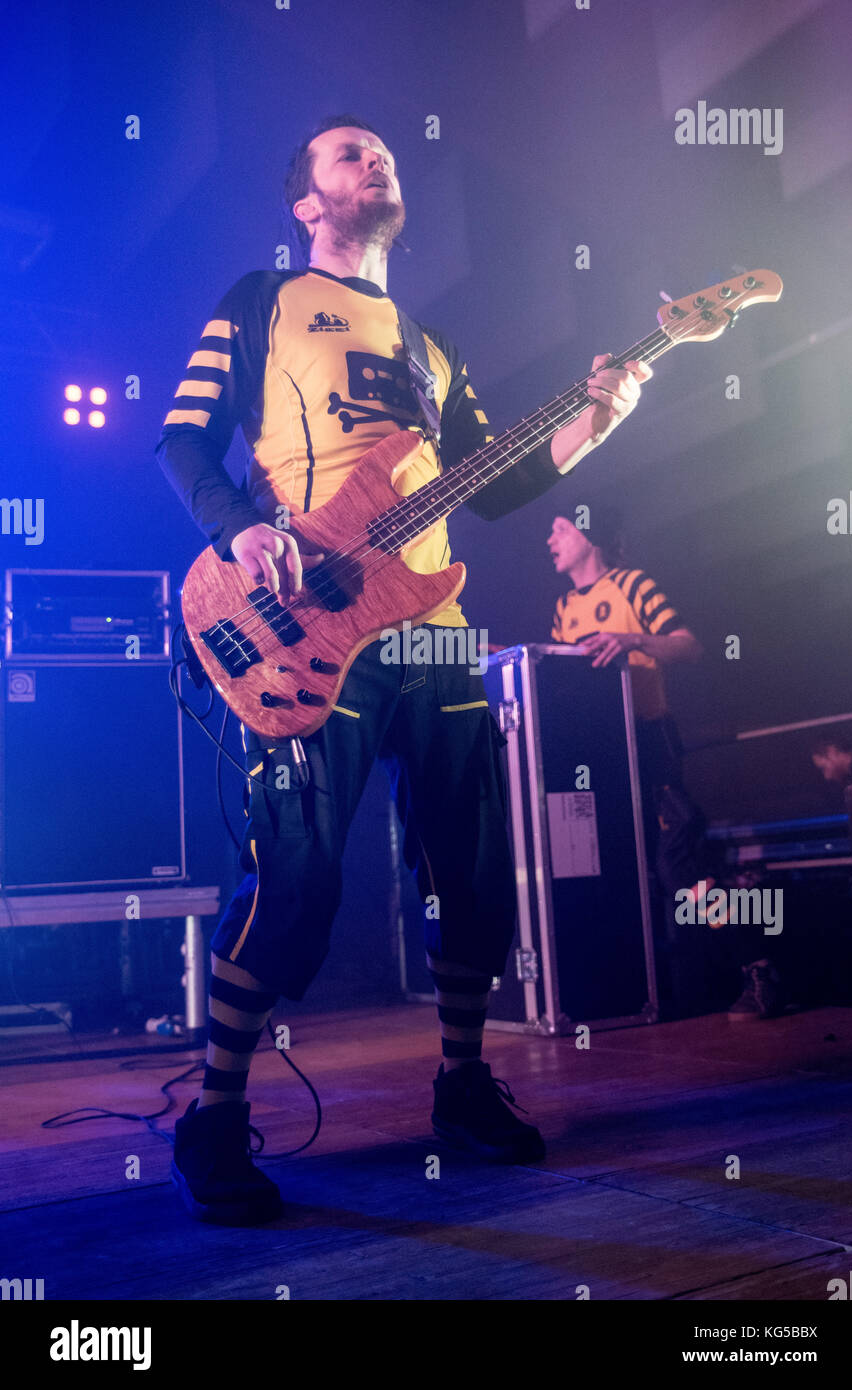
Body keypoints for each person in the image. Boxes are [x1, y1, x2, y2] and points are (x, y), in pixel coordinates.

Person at [156, 115, 652, 1224]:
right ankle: (216, 1111)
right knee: (296, 879)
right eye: (346, 151)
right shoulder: (260, 301)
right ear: (306, 203)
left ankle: (463, 1084)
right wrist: (238, 529)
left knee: (476, 868)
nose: (374, 155)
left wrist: (592, 425)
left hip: (432, 623)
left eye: (382, 148)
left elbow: (498, 483)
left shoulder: (435, 351)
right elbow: (183, 439)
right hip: (302, 620)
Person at [546, 508, 727, 1016]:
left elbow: (689, 647)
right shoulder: (563, 607)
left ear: (588, 532)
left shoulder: (632, 585)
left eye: (560, 529)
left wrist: (632, 640)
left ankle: (755, 962)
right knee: (624, 867)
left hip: (649, 739)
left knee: (679, 865)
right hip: (604, 751)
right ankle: (666, 990)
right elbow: (569, 677)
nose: (550, 540)